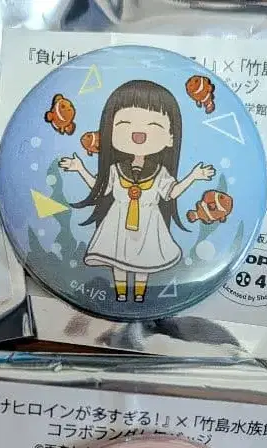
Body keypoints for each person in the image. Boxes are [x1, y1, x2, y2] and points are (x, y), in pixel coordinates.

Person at [59, 80, 214, 304]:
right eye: (124, 123)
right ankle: (121, 294)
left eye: (154, 125)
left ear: (171, 137)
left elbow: (171, 193)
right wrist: (80, 168)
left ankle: (140, 295)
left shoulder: (160, 172)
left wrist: (193, 176)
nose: (138, 133)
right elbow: (100, 190)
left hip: (149, 222)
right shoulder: (116, 169)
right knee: (118, 259)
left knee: (144, 262)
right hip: (118, 219)